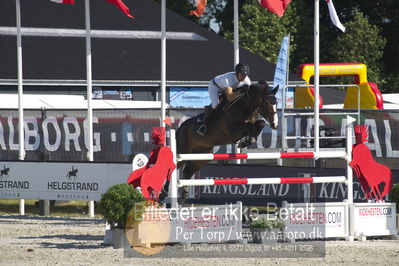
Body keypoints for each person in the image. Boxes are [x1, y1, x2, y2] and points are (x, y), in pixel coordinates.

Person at [197, 62, 251, 136]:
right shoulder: (228, 79)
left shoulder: (247, 81)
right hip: (215, 87)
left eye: (245, 75)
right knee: (216, 104)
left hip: (230, 89)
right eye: (242, 74)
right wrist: (240, 91)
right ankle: (203, 124)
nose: (244, 77)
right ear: (237, 73)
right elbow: (229, 97)